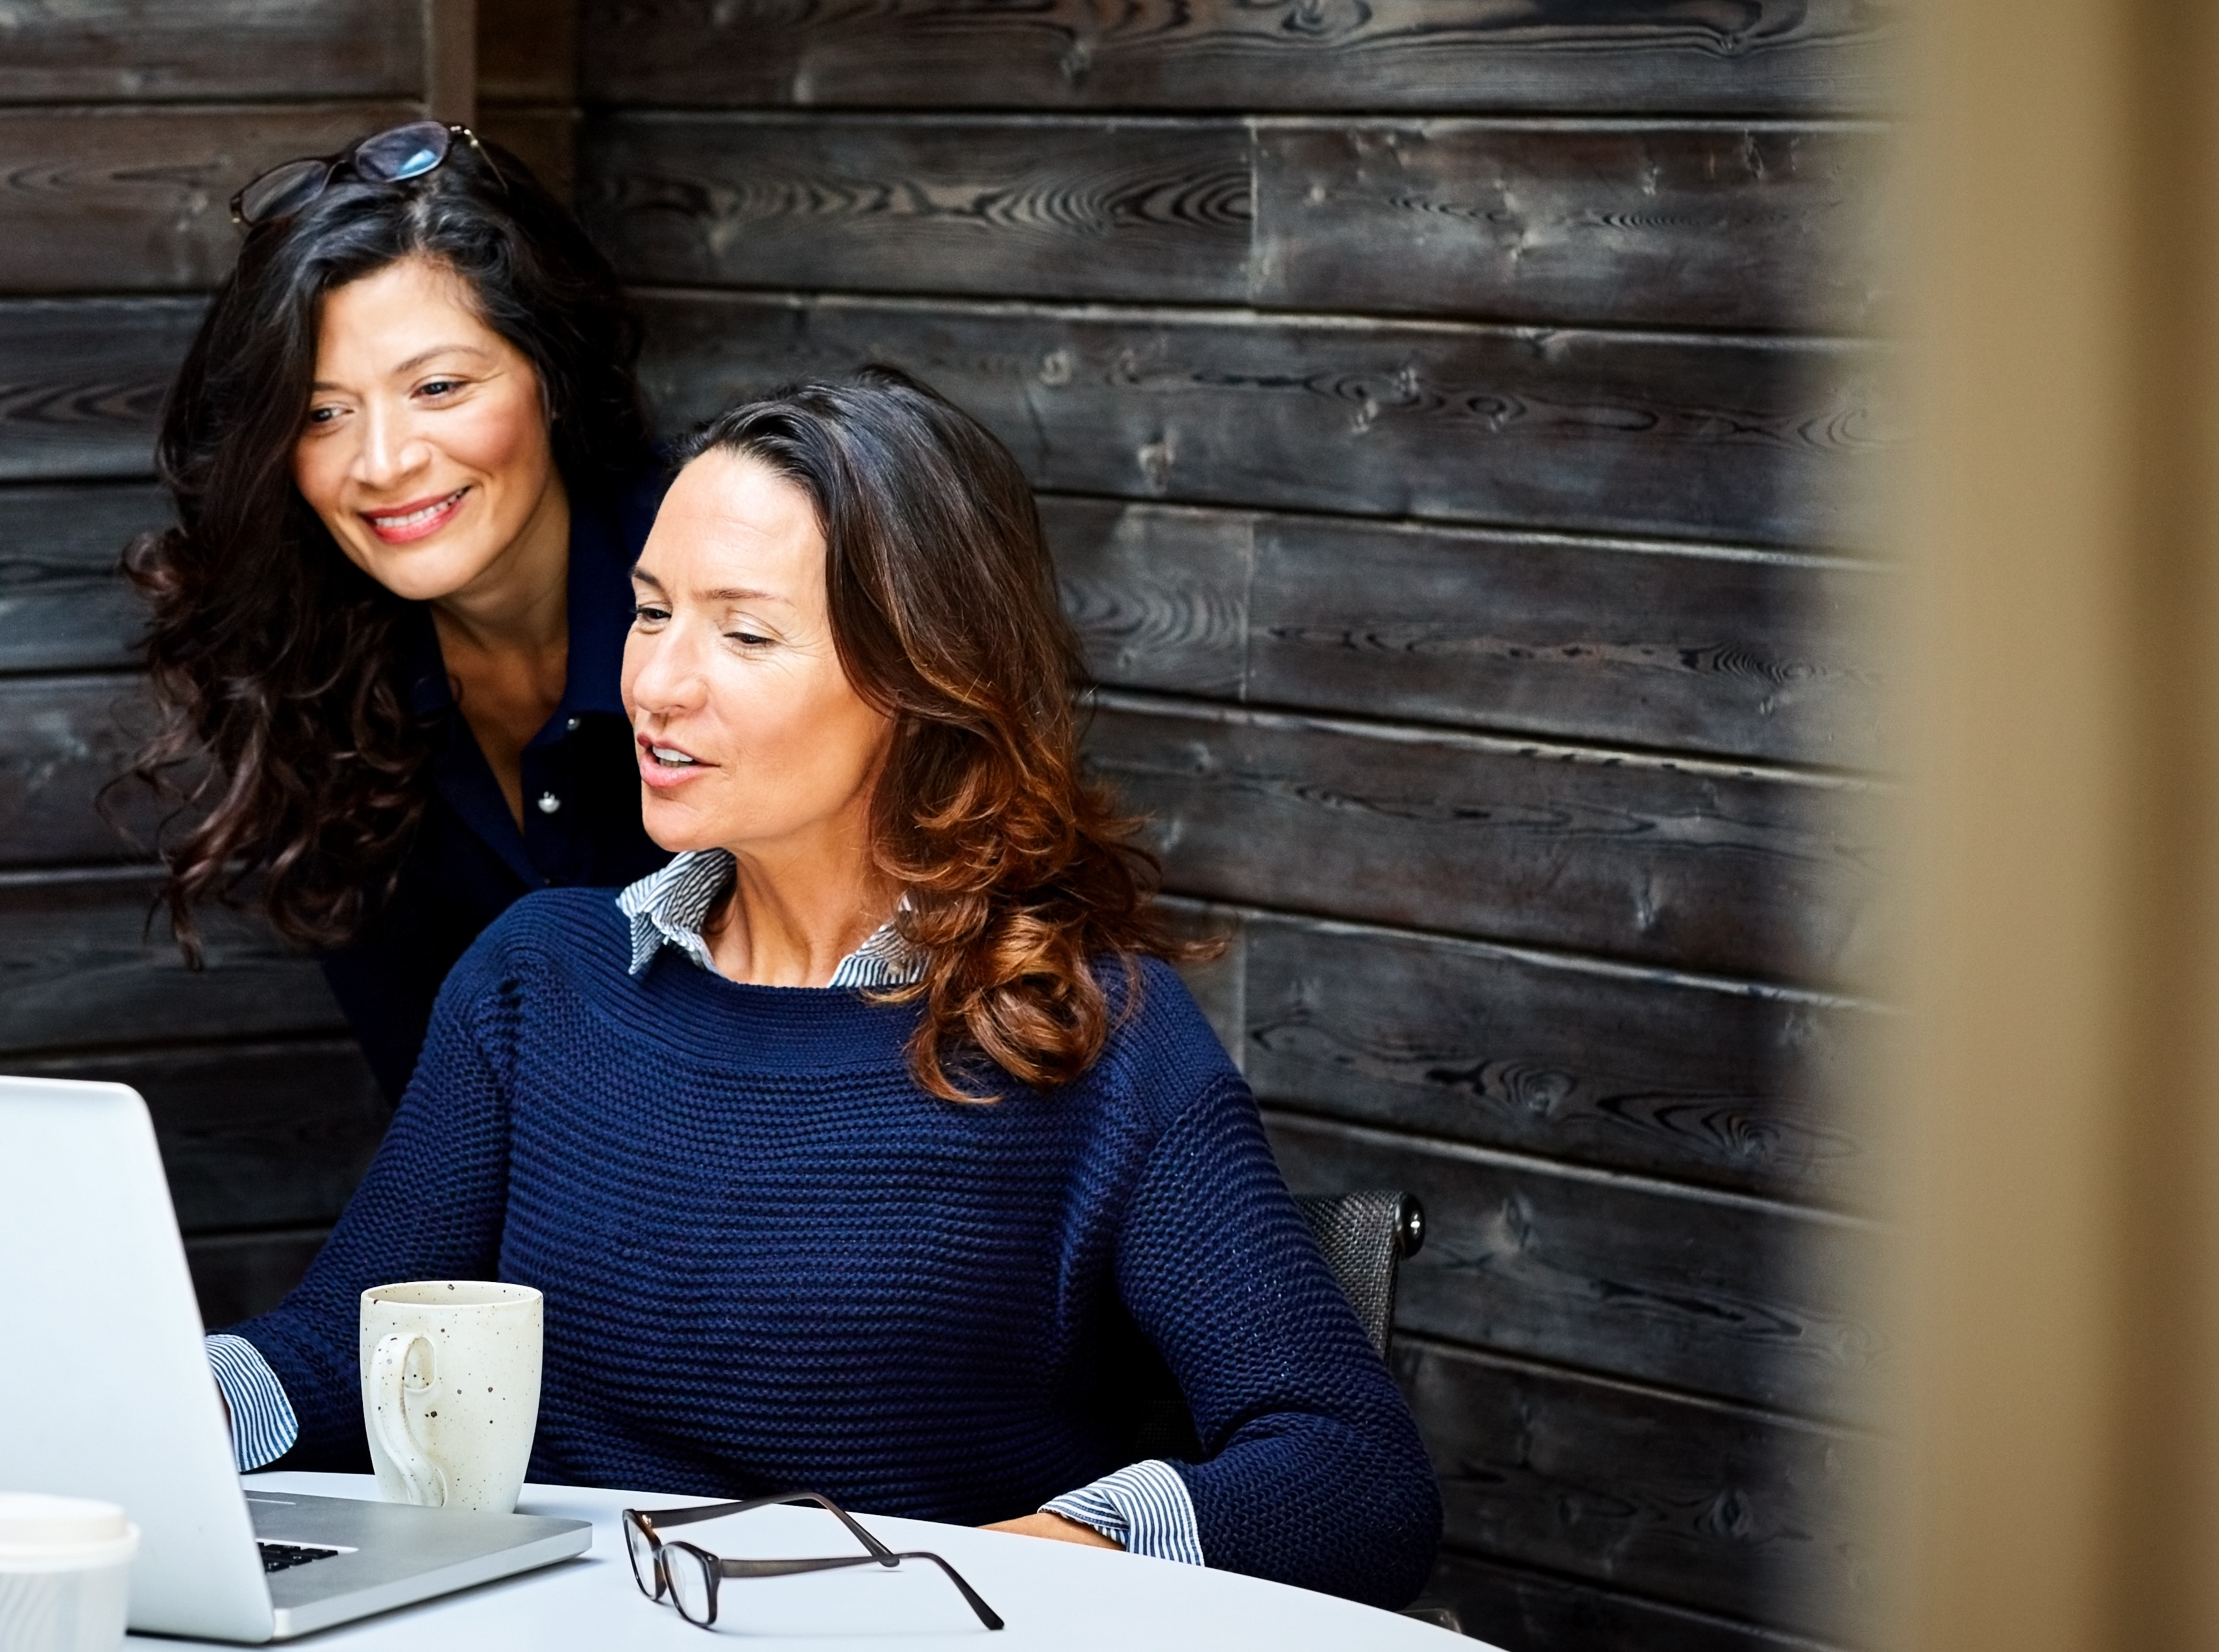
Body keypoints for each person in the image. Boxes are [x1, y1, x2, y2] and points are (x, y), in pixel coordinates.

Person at [200, 373, 1443, 1605]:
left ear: (922, 682)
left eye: (744, 634)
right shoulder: (539, 980)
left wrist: (1026, 1562)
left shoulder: (1091, 1032)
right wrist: (134, 1400)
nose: (657, 685)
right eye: (649, 612)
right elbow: (330, 1363)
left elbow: (1353, 1473)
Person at [124, 120, 672, 1098]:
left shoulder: (733, 597)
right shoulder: (316, 680)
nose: (382, 462)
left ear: (552, 376)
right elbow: (439, 1108)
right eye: (323, 413)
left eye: (438, 387)